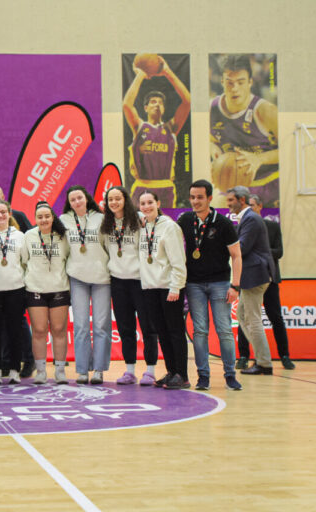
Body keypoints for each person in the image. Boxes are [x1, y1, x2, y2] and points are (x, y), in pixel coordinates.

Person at [178, 180, 243, 391]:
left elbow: (236, 255)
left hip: (220, 283)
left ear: (209, 198)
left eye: (200, 197)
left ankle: (230, 375)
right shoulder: (185, 220)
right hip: (194, 284)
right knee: (200, 331)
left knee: (224, 330)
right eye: (192, 197)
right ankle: (203, 376)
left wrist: (235, 286)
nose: (195, 201)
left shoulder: (223, 223)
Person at [99, 186, 159, 386]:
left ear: (125, 199)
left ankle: (150, 370)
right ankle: (130, 370)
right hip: (118, 282)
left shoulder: (139, 219)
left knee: (148, 327)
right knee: (126, 328)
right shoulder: (106, 224)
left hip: (141, 282)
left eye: (118, 198)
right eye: (110, 200)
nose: (114, 202)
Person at [210, 55, 279, 206]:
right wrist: (212, 148)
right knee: (217, 210)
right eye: (229, 82)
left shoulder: (265, 110)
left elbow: (289, 148)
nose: (235, 88)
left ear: (250, 83)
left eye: (240, 82)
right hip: (234, 183)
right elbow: (207, 140)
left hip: (270, 182)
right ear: (222, 82)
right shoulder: (211, 110)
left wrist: (259, 159)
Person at [123, 56, 191, 208]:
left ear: (164, 108)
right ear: (145, 108)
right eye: (153, 102)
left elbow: (187, 101)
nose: (157, 105)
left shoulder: (171, 128)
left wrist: (167, 72)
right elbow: (127, 105)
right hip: (142, 187)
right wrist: (140, 75)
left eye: (160, 103)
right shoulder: (139, 127)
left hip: (166, 188)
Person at [60, 185, 111, 385]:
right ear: (69, 203)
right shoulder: (63, 220)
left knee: (101, 326)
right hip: (77, 277)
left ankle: (99, 370)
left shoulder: (101, 218)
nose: (77, 202)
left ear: (87, 198)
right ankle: (82, 371)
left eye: (79, 198)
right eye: (73, 200)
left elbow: (110, 244)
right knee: (80, 326)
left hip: (102, 278)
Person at [236, 194, 294, 370]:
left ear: (260, 206)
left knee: (274, 316)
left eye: (253, 205)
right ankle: (245, 356)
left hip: (267, 275)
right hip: (249, 275)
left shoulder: (271, 226)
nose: (250, 209)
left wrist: (259, 247)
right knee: (243, 315)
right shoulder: (244, 224)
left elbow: (279, 251)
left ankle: (284, 356)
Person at [138, 191, 189, 389]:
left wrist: (176, 286)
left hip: (169, 287)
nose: (146, 206)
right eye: (142, 203)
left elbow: (178, 261)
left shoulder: (169, 227)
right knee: (162, 332)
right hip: (150, 287)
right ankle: (171, 371)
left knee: (175, 331)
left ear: (158, 203)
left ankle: (182, 375)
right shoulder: (143, 228)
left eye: (150, 202)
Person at [0, 184, 35, 378]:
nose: (0, 215)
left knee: (15, 329)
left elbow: (25, 261)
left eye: (3, 212)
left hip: (15, 288)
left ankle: (16, 367)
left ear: (9, 212)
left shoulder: (20, 235)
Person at [226, 186, 275, 375]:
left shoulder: (251, 219)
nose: (228, 204)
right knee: (243, 315)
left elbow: (242, 248)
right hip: (253, 274)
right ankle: (262, 359)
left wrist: (223, 244)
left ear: (242, 200)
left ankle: (264, 363)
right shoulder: (248, 218)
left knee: (252, 319)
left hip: (256, 274)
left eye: (231, 200)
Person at [22, 201, 71, 384]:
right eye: (40, 217)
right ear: (35, 219)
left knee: (59, 330)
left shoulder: (62, 236)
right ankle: (41, 371)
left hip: (59, 288)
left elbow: (68, 257)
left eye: (47, 216)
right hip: (35, 289)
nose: (44, 220)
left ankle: (60, 371)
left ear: (53, 217)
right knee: (39, 330)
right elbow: (24, 260)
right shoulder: (29, 236)